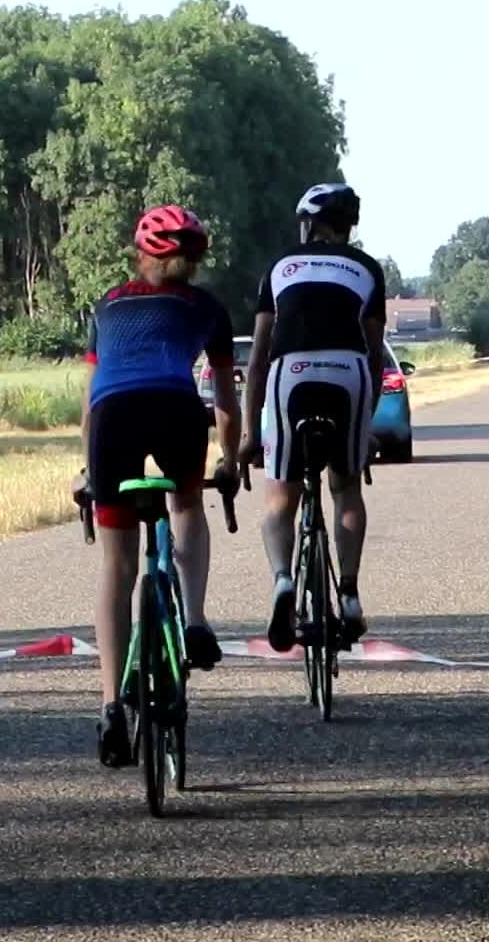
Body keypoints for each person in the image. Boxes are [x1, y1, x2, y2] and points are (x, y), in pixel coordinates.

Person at [76, 204, 240, 767]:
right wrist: (232, 459)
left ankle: (109, 707)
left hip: (112, 417)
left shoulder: (107, 304)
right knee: (187, 504)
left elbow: (92, 394)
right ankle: (193, 621)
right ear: (193, 261)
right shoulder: (207, 307)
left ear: (141, 255)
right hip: (175, 408)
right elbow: (224, 397)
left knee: (117, 566)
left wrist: (86, 468)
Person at [238, 182, 387, 652]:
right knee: (346, 487)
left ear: (310, 223)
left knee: (279, 501)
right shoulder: (367, 268)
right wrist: (364, 428)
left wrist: (248, 433)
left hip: (291, 372)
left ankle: (283, 580)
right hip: (349, 372)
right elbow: (375, 354)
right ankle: (349, 592)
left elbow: (259, 356)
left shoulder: (282, 265)